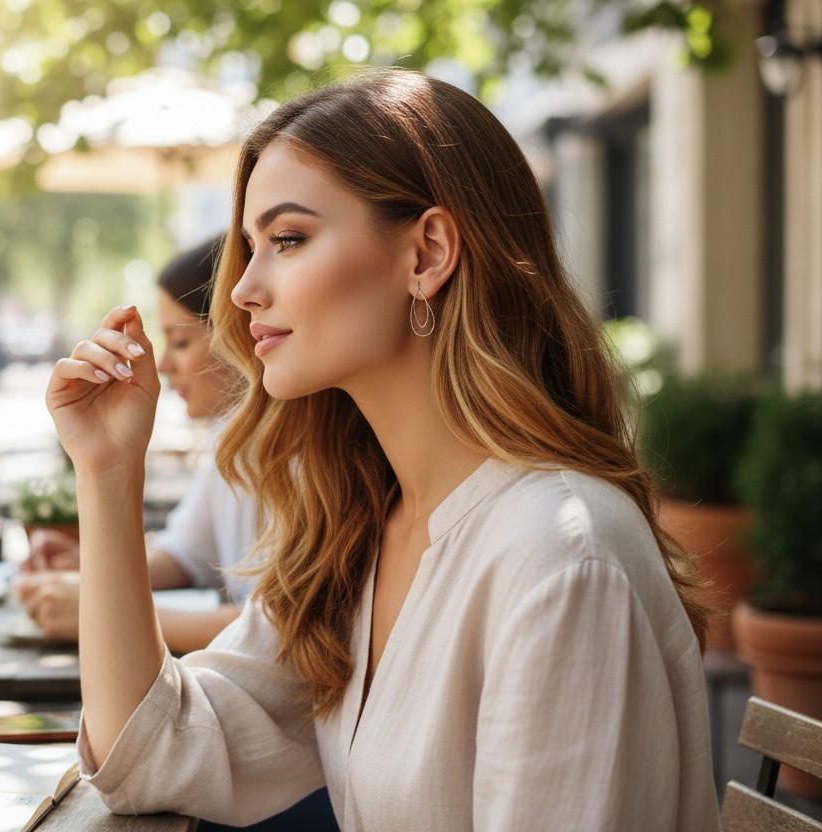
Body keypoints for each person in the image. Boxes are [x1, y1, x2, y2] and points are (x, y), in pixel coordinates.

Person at [44, 70, 720, 830]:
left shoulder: (559, 558)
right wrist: (106, 473)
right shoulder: (363, 527)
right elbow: (153, 756)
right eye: (249, 246)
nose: (242, 289)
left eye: (288, 239)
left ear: (427, 252)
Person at [19, 238, 255, 654]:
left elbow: (287, 634)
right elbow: (185, 552)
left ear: (244, 331)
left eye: (180, 342)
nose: (163, 364)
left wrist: (94, 611)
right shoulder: (232, 436)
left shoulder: (308, 456)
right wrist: (88, 561)